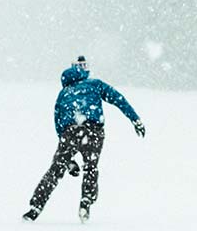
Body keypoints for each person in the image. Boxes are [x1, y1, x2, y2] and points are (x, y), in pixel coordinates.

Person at [22, 56, 144, 223]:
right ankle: (86, 201)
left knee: (55, 170)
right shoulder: (94, 84)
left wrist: (68, 160)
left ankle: (34, 208)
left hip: (69, 133)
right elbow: (118, 99)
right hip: (93, 130)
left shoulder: (63, 93)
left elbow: (58, 123)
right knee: (91, 167)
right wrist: (134, 119)